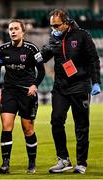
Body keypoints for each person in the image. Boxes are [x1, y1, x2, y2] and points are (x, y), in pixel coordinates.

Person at [41, 8, 101, 174]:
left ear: (66, 23)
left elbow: (93, 59)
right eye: (51, 25)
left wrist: (96, 82)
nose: (54, 29)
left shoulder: (82, 35)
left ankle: (81, 163)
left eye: (57, 25)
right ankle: (63, 159)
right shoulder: (54, 36)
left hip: (79, 85)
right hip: (60, 87)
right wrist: (44, 52)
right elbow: (47, 56)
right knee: (56, 121)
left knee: (81, 125)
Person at [0, 19, 45, 174]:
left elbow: (41, 70)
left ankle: (32, 163)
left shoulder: (32, 49)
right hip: (9, 92)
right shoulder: (2, 49)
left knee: (27, 129)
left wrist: (35, 85)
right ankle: (5, 164)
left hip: (27, 92)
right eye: (10, 29)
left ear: (23, 31)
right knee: (6, 125)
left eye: (16, 29)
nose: (13, 31)